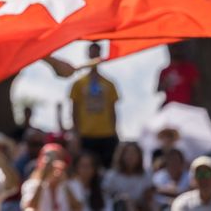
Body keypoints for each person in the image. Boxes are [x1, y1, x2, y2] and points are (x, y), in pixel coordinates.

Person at [71, 43, 120, 171]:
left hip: (106, 134)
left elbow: (113, 110)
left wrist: (115, 131)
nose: (94, 56)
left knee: (107, 168)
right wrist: (76, 134)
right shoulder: (78, 84)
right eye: (92, 52)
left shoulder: (109, 84)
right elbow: (74, 110)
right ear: (88, 54)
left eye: (97, 52)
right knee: (87, 169)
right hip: (86, 134)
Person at [21, 144, 84, 211]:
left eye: (57, 158)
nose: (52, 165)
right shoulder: (31, 184)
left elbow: (78, 207)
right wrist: (42, 181)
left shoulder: (73, 182)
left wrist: (64, 184)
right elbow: (28, 206)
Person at [102, 141, 152, 211]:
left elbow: (148, 200)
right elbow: (105, 197)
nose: (130, 156)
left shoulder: (146, 175)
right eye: (127, 153)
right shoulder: (111, 175)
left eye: (134, 153)